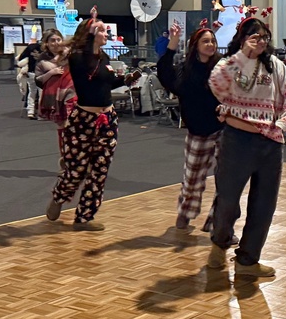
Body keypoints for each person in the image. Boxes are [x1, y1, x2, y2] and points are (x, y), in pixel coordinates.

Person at [207, 17, 286, 277]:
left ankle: (247, 261)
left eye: (264, 37)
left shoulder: (274, 65)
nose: (260, 42)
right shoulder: (231, 64)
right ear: (242, 38)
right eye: (254, 37)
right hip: (236, 141)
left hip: (270, 144)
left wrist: (285, 122)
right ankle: (220, 242)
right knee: (227, 200)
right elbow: (216, 84)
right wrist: (243, 56)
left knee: (264, 205)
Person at [46, 17, 135, 231]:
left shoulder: (104, 56)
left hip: (107, 121)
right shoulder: (78, 57)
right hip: (83, 121)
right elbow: (85, 68)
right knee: (76, 169)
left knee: (99, 171)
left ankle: (84, 217)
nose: (106, 34)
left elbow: (107, 82)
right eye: (102, 31)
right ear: (91, 35)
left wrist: (126, 79)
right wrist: (89, 34)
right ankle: (59, 197)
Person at [157, 22, 222, 232]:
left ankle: (218, 221)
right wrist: (173, 42)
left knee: (226, 179)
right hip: (197, 131)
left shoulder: (222, 67)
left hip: (223, 128)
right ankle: (186, 212)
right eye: (205, 41)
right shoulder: (185, 70)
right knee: (193, 178)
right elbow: (165, 75)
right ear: (196, 45)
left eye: (212, 41)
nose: (210, 44)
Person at [34, 29, 73, 163]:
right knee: (62, 126)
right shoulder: (42, 59)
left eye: (58, 40)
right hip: (53, 96)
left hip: (71, 94)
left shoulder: (69, 55)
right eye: (52, 40)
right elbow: (38, 81)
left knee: (72, 126)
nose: (56, 43)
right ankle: (65, 159)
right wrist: (51, 73)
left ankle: (75, 158)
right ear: (46, 43)